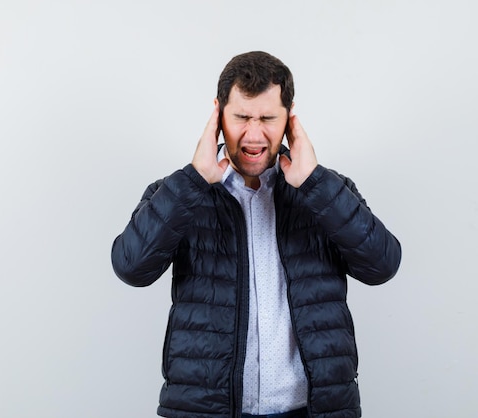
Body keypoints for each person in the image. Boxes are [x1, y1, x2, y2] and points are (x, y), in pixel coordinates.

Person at [111, 51, 401, 418]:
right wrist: (193, 183)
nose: (253, 134)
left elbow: (382, 265)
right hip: (207, 410)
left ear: (289, 118)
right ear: (218, 115)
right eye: (241, 117)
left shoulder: (327, 191)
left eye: (267, 118)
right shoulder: (179, 192)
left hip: (312, 411)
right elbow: (131, 267)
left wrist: (315, 185)